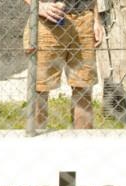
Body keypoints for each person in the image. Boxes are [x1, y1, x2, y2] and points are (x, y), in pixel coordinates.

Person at [23, 1, 105, 129]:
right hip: (48, 19)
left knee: (83, 87)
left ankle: (84, 143)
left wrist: (96, 20)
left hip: (84, 19)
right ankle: (36, 141)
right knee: (40, 88)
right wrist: (38, 6)